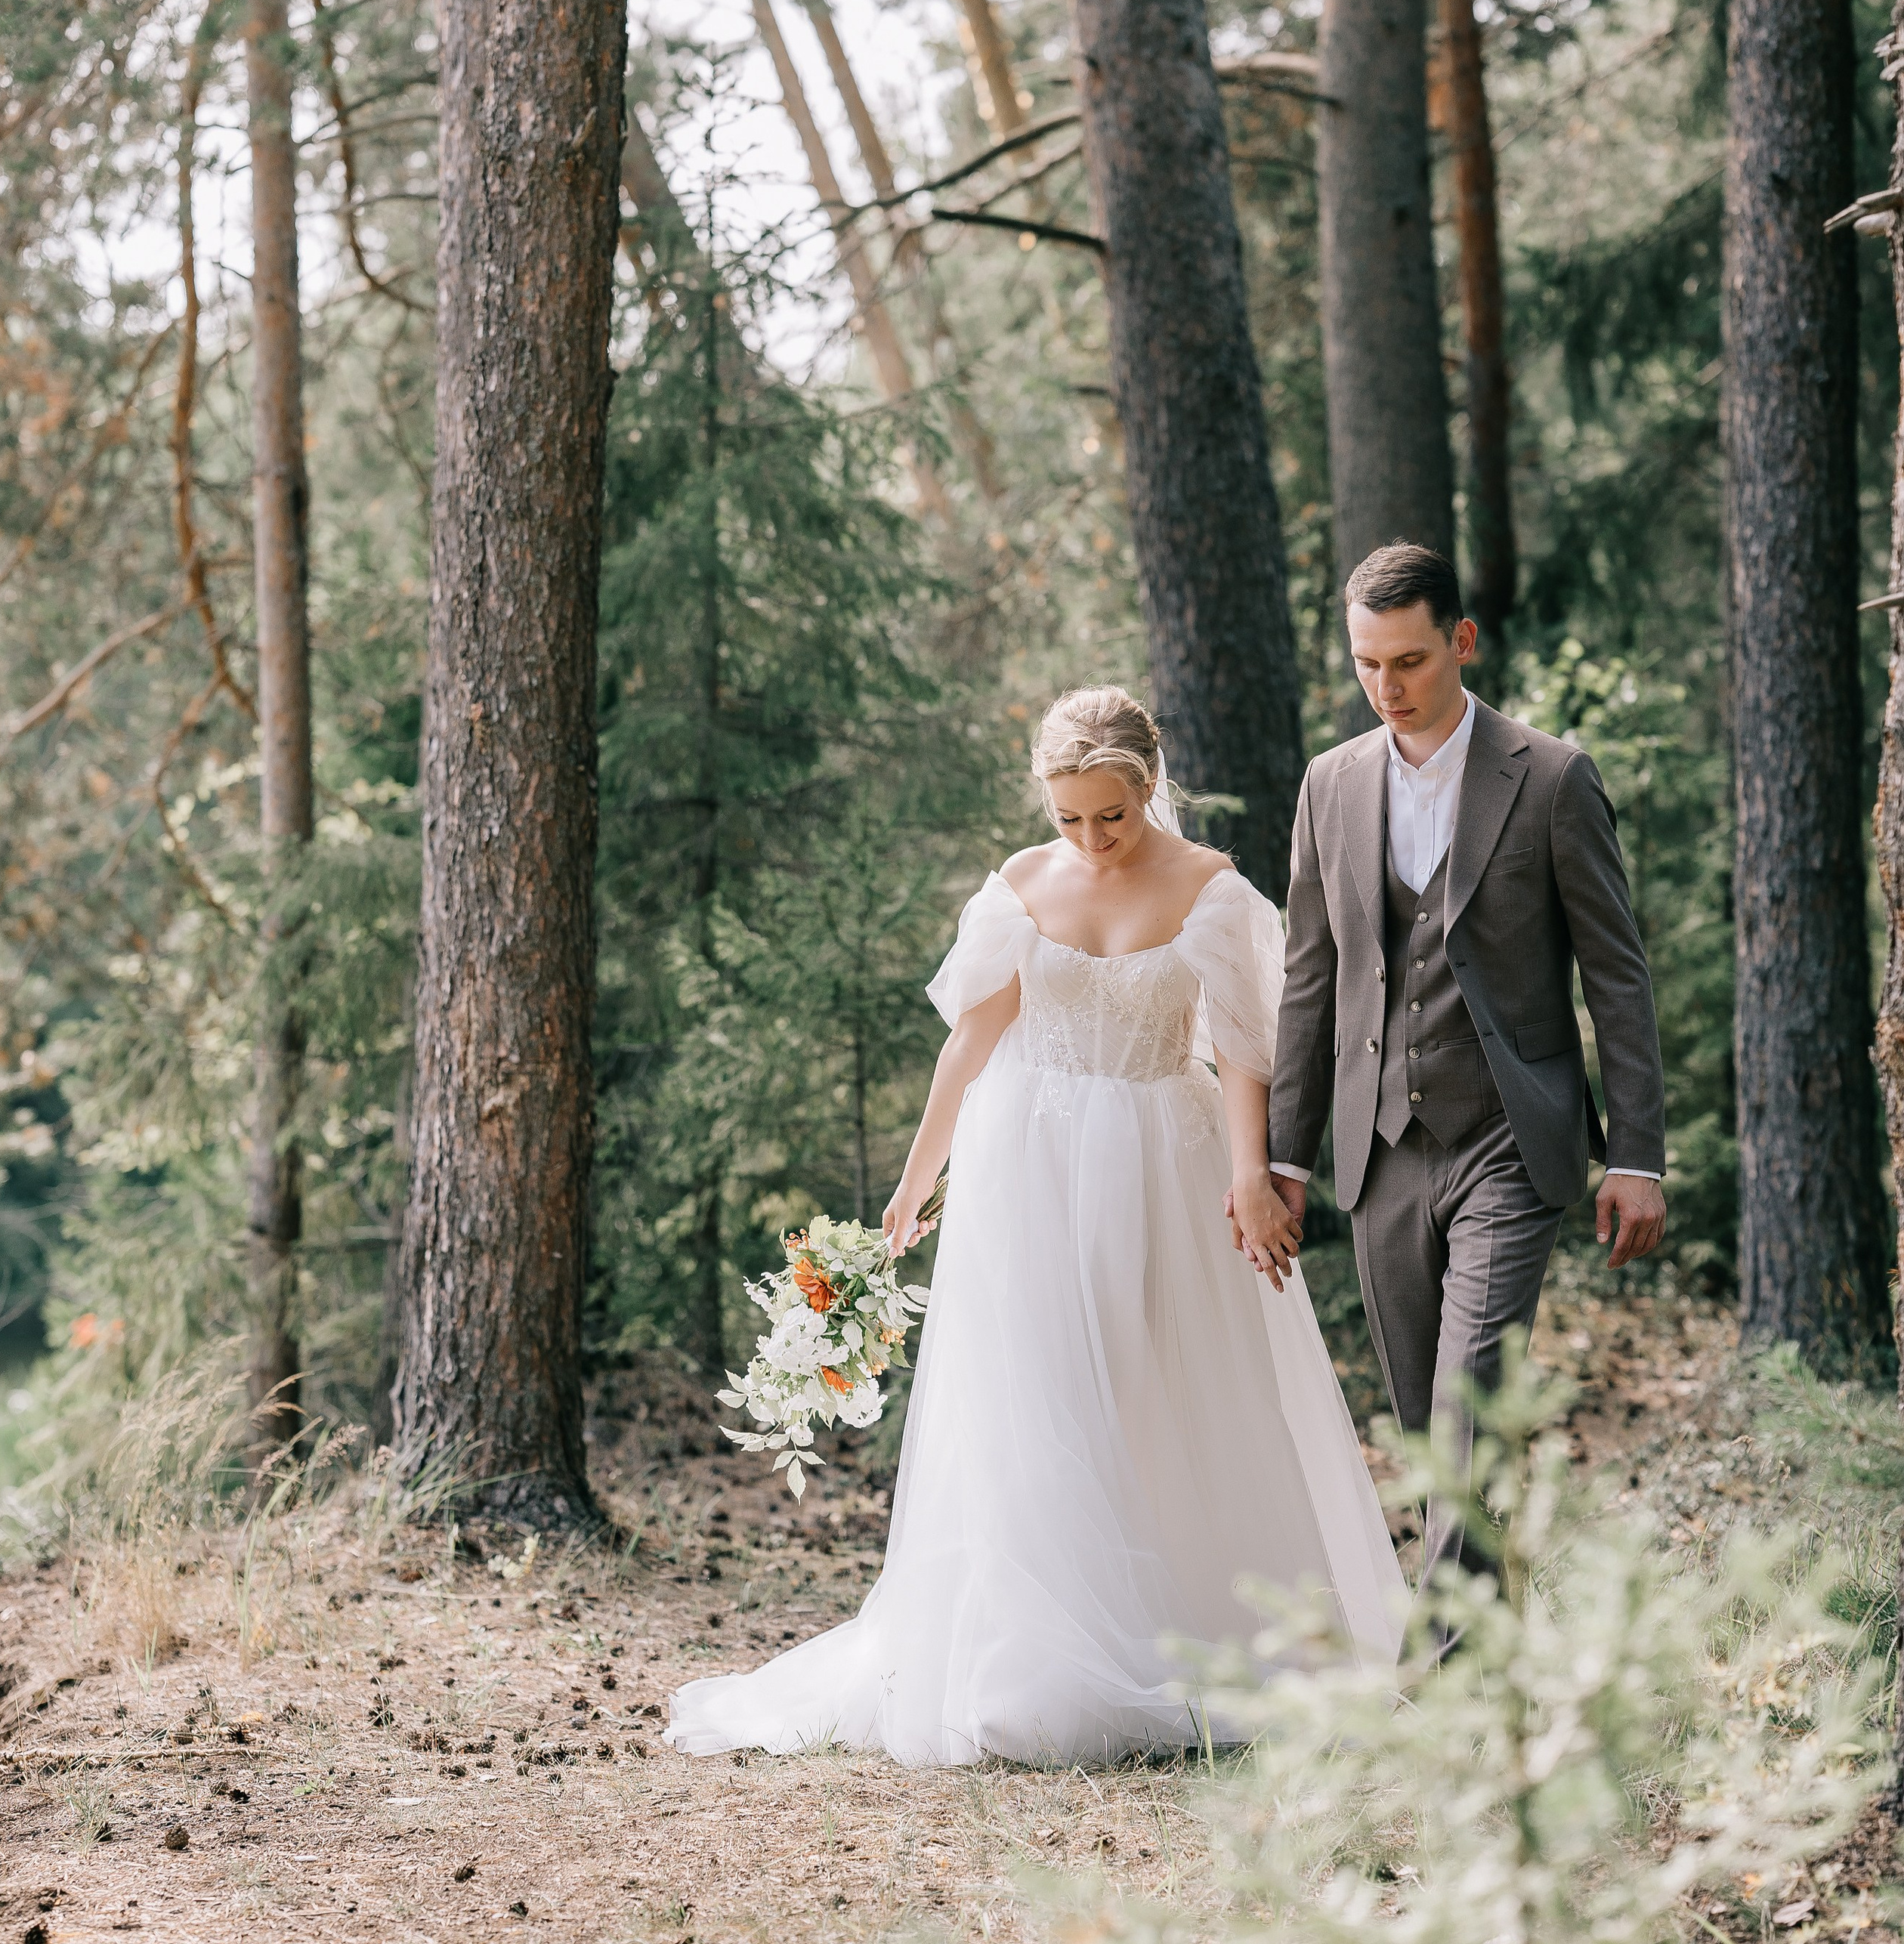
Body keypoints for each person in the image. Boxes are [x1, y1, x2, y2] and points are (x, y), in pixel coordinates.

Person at [665, 685, 1408, 1768]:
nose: (1091, 839)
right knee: (1036, 1394)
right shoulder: (1020, 887)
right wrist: (917, 1182)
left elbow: (1248, 1052)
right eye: (1069, 817)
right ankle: (1030, 1657)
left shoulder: (1214, 893)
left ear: (1150, 787)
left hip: (1164, 1153)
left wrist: (1254, 1177)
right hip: (1028, 1163)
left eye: (1110, 815)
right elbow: (969, 1046)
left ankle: (1187, 1631)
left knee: (1156, 1385)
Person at [1264, 541, 1668, 1585]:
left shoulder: (1553, 780)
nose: (1387, 689)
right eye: (1367, 665)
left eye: (1409, 661)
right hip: (1381, 1149)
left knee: (1468, 1409)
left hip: (1508, 1136)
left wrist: (1639, 1155)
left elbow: (1617, 979)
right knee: (1420, 1431)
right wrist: (1285, 1161)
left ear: (1463, 642)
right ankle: (1492, 1678)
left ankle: (1445, 1688)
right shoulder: (1330, 786)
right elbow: (1311, 980)